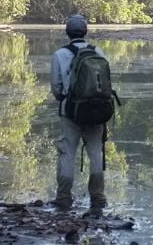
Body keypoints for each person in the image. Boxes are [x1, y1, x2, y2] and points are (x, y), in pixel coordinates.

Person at [50, 15, 108, 214]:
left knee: (67, 152)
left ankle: (64, 197)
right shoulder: (97, 52)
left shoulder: (59, 55)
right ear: (86, 32)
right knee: (95, 152)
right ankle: (98, 197)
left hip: (70, 111)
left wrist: (66, 100)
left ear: (67, 33)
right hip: (97, 110)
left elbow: (56, 88)